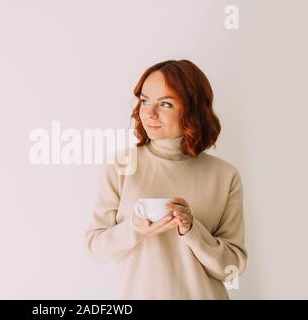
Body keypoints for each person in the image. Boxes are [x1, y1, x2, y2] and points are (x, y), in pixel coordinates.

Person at [84, 59, 247, 299]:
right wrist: (134, 228)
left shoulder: (225, 176)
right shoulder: (121, 166)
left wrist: (192, 229)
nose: (149, 113)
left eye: (166, 104)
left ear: (192, 110)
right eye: (145, 101)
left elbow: (232, 268)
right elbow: (94, 250)